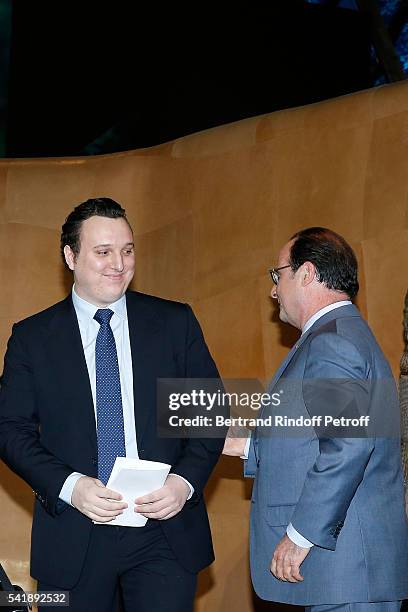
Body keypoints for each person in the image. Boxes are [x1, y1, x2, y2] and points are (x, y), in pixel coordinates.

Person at [0, 197, 224, 612]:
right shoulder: (32, 338)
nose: (118, 263)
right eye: (103, 252)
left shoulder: (175, 323)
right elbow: (9, 430)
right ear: (70, 256)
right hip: (73, 531)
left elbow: (208, 414)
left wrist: (184, 484)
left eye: (127, 250)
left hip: (164, 532)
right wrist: (71, 486)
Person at [224, 227, 408, 612]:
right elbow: (314, 438)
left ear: (306, 273)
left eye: (278, 275)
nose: (274, 290)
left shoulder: (332, 340)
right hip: (346, 574)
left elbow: (348, 443)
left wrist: (301, 533)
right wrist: (241, 443)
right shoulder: (337, 335)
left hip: (348, 571)